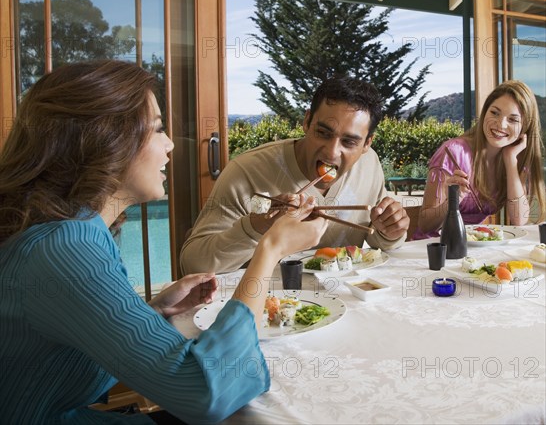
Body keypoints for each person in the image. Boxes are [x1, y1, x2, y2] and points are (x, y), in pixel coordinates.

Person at [0, 60, 326, 424]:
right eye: (156, 129)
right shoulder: (64, 249)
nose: (171, 143)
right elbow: (207, 394)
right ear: (105, 141)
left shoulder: (75, 229)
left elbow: (70, 342)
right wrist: (271, 248)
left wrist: (152, 314)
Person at [181, 76, 409, 275]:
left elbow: (377, 241)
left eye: (349, 142)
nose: (331, 152)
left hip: (345, 302)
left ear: (367, 143)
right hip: (267, 309)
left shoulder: (368, 163)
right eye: (323, 133)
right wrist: (255, 227)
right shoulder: (246, 172)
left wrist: (389, 231)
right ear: (307, 121)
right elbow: (193, 265)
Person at [416, 80, 545, 238]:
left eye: (513, 120)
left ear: (525, 127)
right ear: (485, 112)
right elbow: (425, 225)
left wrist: (510, 161)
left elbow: (519, 219)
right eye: (495, 113)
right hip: (436, 249)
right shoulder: (453, 152)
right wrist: (452, 202)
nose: (500, 124)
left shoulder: (514, 158)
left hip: (475, 249)